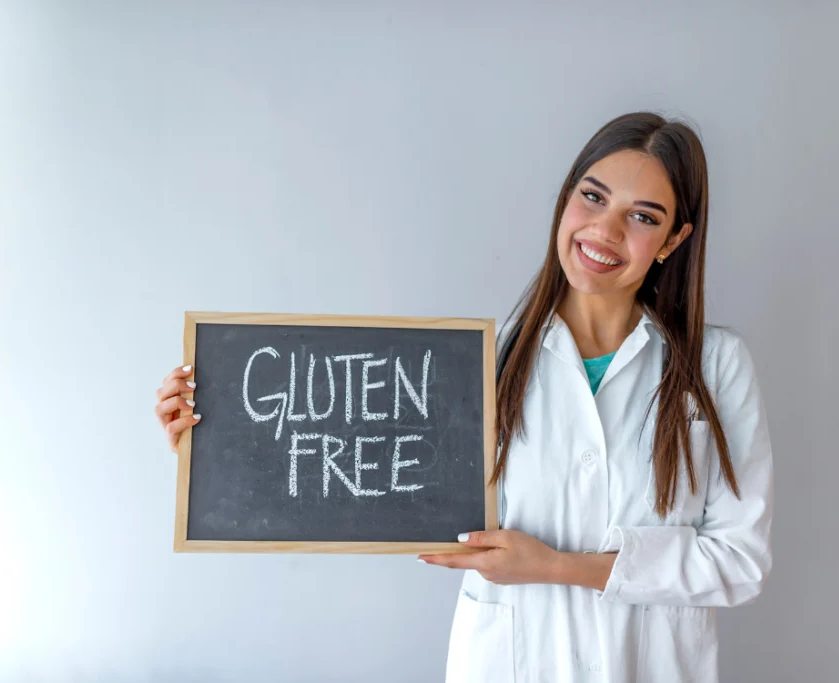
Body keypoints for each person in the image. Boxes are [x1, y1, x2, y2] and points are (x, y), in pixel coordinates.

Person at [154, 111, 773, 683]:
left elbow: (738, 561)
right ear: (565, 201)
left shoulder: (714, 368)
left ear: (672, 239)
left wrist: (558, 567)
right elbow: (358, 474)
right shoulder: (470, 364)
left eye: (643, 216)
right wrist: (221, 436)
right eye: (593, 196)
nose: (605, 230)